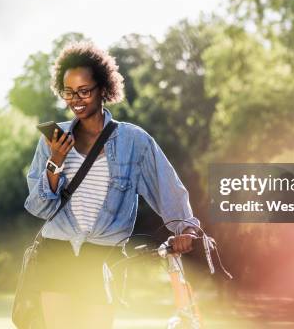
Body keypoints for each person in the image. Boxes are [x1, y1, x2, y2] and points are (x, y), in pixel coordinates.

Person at [24, 41, 200, 328]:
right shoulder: (53, 142)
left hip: (101, 258)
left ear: (103, 89)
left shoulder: (135, 142)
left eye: (84, 91)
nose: (76, 99)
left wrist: (186, 229)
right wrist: (56, 160)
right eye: (68, 92)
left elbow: (168, 189)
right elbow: (40, 207)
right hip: (56, 252)